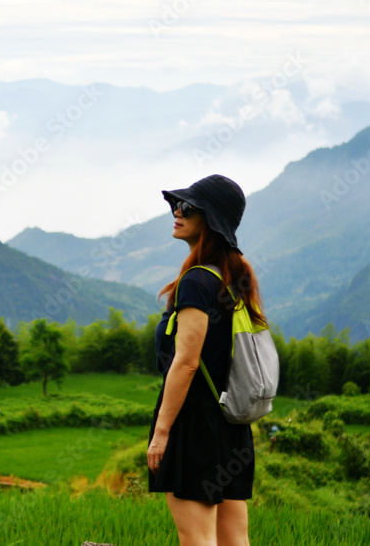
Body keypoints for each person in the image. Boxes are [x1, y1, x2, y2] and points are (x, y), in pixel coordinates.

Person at [146, 174, 265, 546]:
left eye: (188, 208)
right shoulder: (234, 277)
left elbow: (186, 362)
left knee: (198, 541)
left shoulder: (197, 282)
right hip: (231, 427)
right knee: (235, 541)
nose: (177, 212)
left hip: (195, 427)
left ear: (210, 221)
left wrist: (162, 432)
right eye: (176, 205)